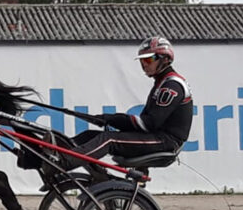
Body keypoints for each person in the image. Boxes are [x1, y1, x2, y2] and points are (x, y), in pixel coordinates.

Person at [69, 36, 193, 165]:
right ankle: (58, 151)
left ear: (165, 59)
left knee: (108, 139)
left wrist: (111, 119)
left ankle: (64, 163)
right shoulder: (162, 82)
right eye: (142, 60)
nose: (144, 64)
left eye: (149, 59)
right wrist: (107, 119)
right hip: (155, 136)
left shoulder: (172, 86)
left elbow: (149, 124)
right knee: (89, 135)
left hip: (165, 141)